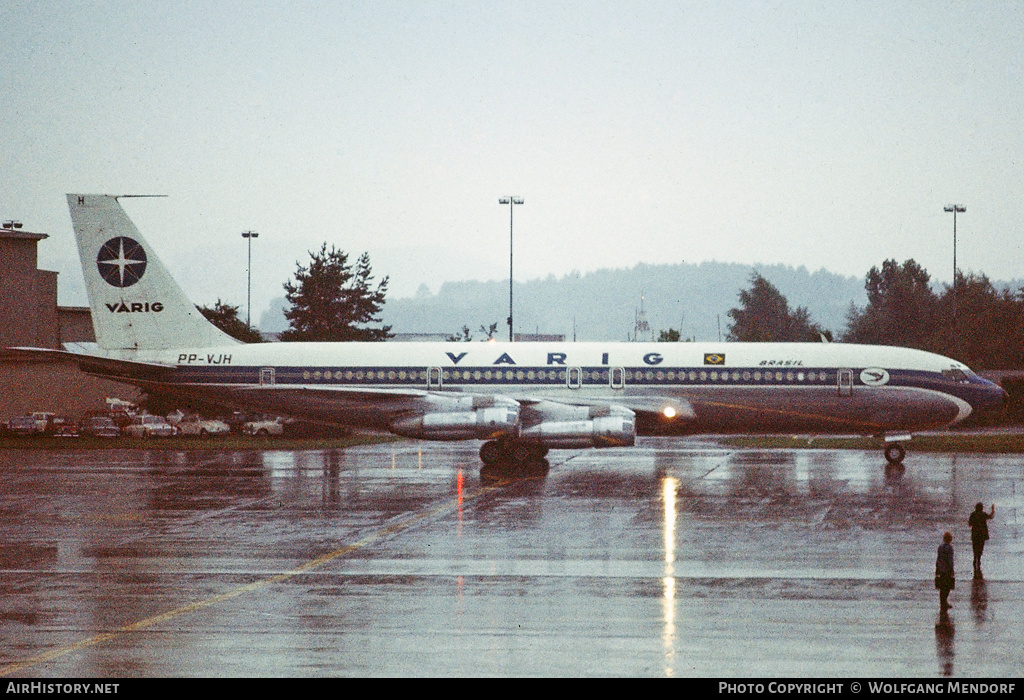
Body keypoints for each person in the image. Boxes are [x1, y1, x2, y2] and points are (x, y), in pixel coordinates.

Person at [968, 503, 995, 579]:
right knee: (980, 547)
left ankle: (975, 558)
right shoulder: (983, 514)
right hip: (982, 535)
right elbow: (990, 516)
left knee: (974, 547)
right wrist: (993, 510)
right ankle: (978, 560)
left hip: (975, 534)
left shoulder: (973, 514)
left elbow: (970, 523)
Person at [935, 532, 955, 612]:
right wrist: (951, 569)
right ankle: (944, 602)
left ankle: (942, 602)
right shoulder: (950, 548)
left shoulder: (940, 547)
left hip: (941, 569)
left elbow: (938, 558)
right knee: (947, 587)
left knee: (942, 587)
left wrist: (937, 569)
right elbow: (950, 560)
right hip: (947, 569)